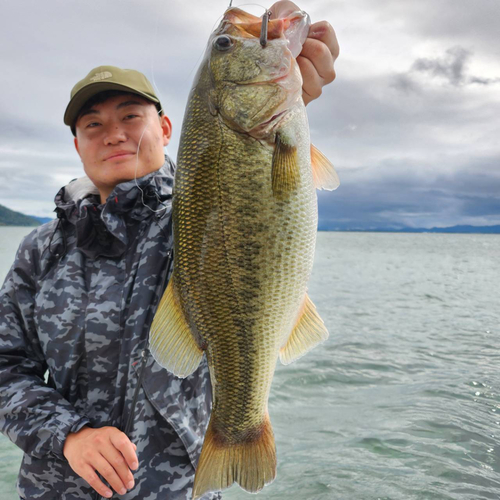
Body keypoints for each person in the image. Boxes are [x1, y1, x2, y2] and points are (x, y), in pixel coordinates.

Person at [0, 2, 339, 499]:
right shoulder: (39, 251)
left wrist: (292, 88)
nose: (113, 133)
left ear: (164, 129)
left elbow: (246, 194)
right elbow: (6, 366)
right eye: (92, 124)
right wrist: (67, 434)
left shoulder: (185, 220)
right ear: (77, 145)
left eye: (130, 116)